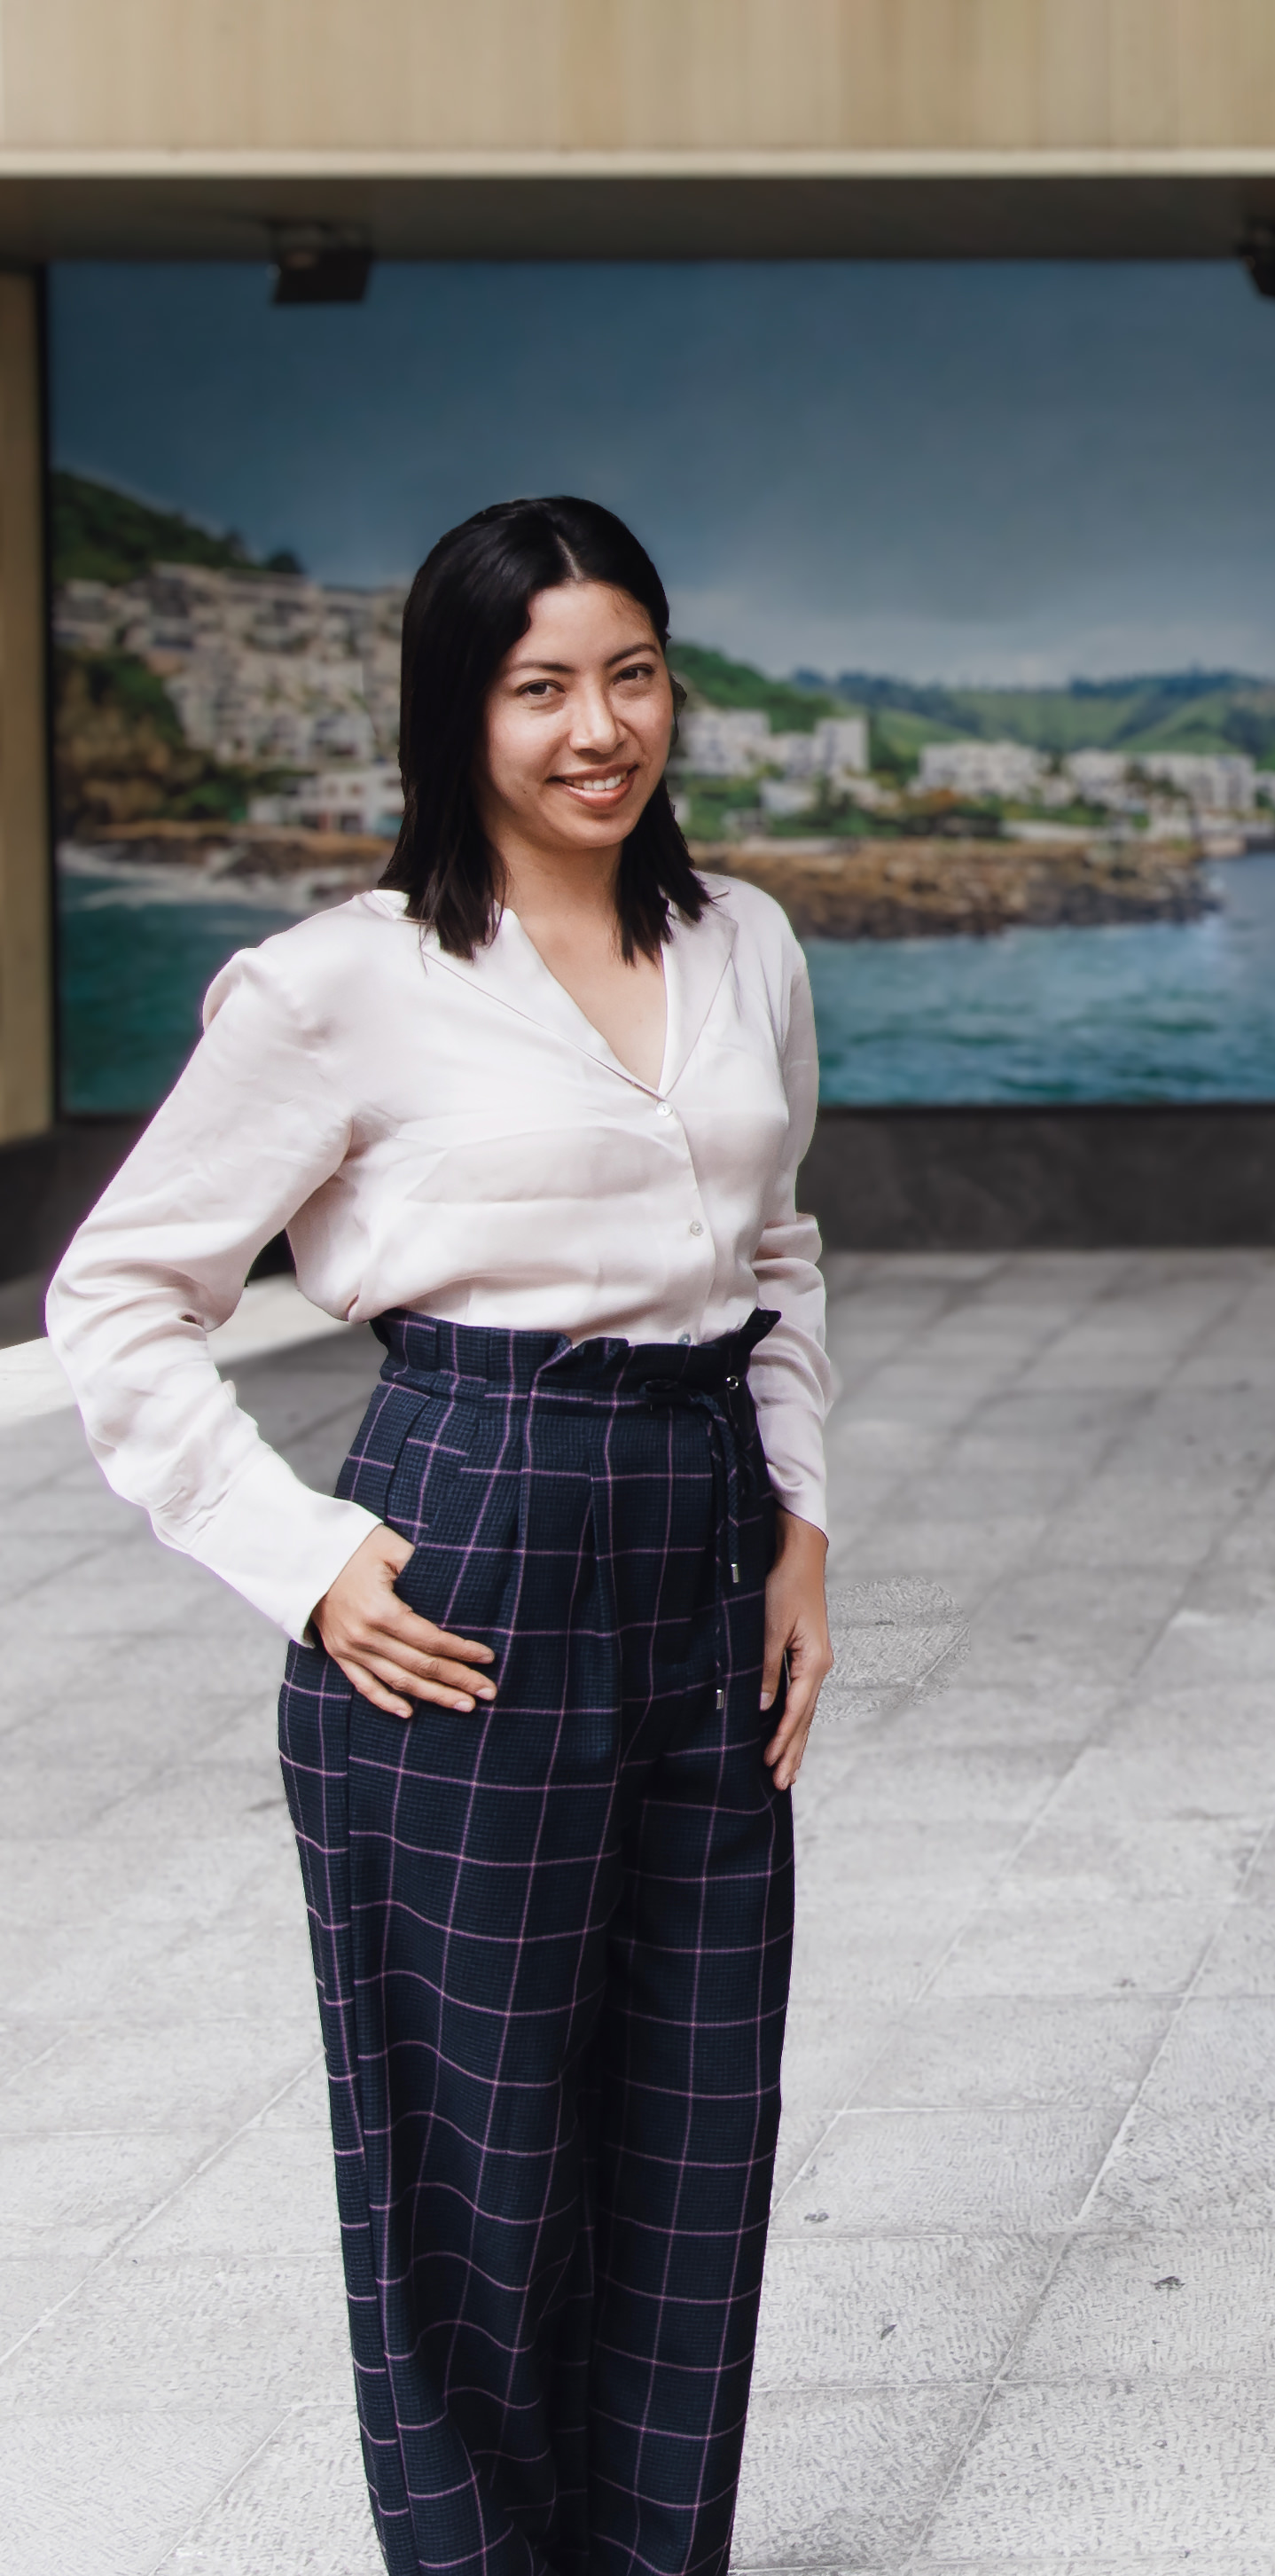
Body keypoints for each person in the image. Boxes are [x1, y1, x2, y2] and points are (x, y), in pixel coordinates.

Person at [50, 496, 835, 2573]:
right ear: (455, 710)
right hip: (468, 1528)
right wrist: (298, 1555)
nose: (602, 726)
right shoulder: (340, 983)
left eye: (635, 672)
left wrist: (803, 1528)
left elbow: (774, 1248)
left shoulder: (744, 937)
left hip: (700, 1521)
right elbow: (116, 1295)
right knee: (469, 2154)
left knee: (690, 2126)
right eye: (541, 686)